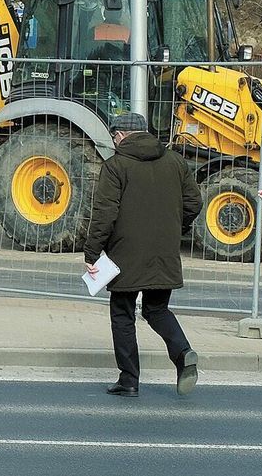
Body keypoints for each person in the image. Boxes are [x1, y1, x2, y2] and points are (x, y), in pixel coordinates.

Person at [84, 112, 202, 397]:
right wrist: (177, 227)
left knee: (123, 314)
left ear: (122, 134)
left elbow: (105, 213)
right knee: (156, 309)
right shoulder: (175, 161)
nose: (113, 142)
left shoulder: (116, 166)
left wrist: (92, 251)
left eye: (114, 137)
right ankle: (182, 351)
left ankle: (129, 380)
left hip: (126, 253)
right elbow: (194, 202)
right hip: (165, 250)